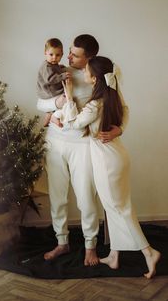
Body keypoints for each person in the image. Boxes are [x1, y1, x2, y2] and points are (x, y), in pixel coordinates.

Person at [54, 56, 161, 278]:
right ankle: (114, 255)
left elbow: (73, 124)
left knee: (119, 208)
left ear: (94, 78)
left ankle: (149, 252)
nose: (83, 72)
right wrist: (118, 130)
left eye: (86, 71)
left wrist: (69, 97)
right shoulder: (110, 95)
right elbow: (126, 110)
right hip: (116, 155)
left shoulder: (95, 104)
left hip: (106, 161)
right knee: (114, 207)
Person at [37, 34, 129, 266]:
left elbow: (122, 107)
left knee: (86, 197)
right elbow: (40, 102)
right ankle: (62, 242)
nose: (67, 56)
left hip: (83, 145)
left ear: (89, 58)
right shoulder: (58, 71)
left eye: (74, 54)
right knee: (57, 196)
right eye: (69, 51)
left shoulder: (99, 77)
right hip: (55, 142)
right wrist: (55, 105)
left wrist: (119, 130)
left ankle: (90, 245)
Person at [37, 38, 71, 127]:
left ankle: (50, 114)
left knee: (66, 96)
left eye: (58, 55)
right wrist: (62, 76)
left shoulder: (53, 64)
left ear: (62, 55)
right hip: (49, 91)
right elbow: (50, 79)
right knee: (66, 96)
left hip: (51, 89)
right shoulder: (46, 66)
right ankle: (52, 115)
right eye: (51, 54)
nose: (54, 58)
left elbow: (54, 69)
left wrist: (59, 68)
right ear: (45, 52)